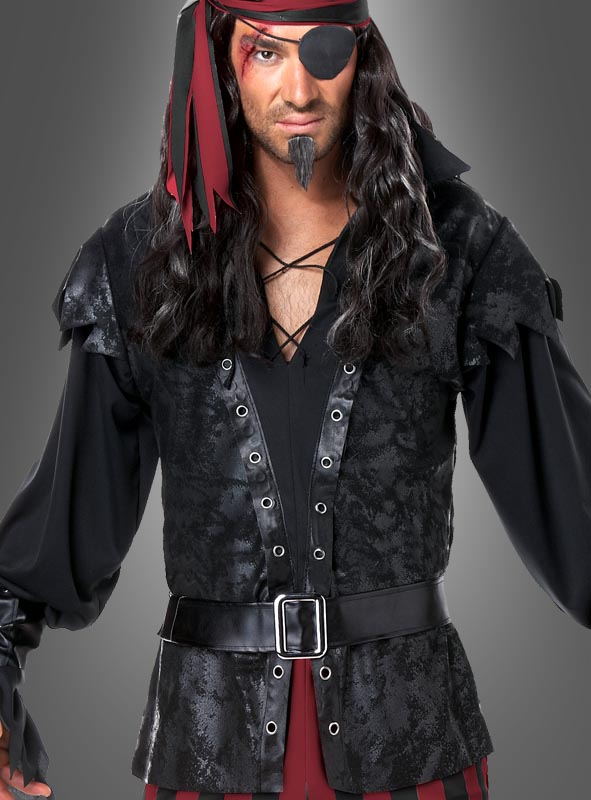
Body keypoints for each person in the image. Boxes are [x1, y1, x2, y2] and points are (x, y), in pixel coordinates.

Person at [0, 0, 589, 798]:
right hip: (208, 758)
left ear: (362, 56)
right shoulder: (139, 262)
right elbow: (56, 535)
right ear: (218, 60)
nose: (300, 90)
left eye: (323, 51)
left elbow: (573, 507)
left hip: (411, 755)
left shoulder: (455, 248)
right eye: (266, 53)